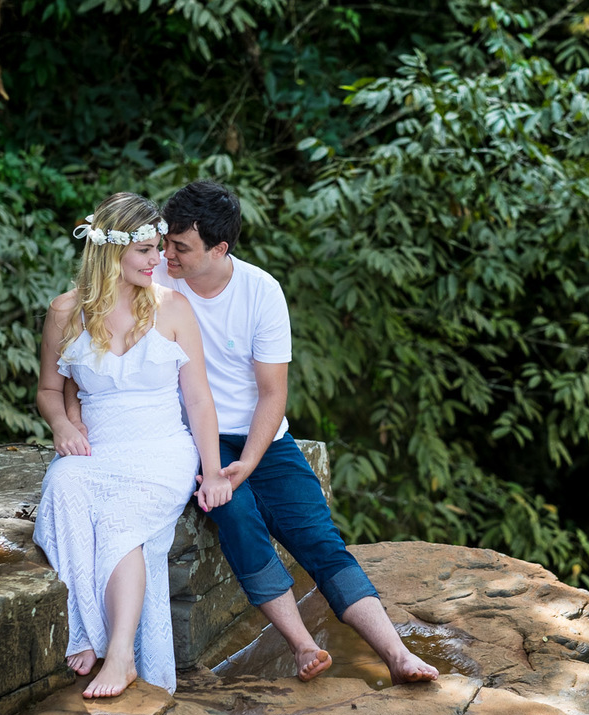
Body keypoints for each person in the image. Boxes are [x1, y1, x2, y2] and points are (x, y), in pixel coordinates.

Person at [155, 180, 439, 685]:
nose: (167, 253)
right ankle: (303, 646)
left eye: (181, 246)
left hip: (265, 436)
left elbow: (272, 393)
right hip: (197, 435)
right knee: (238, 516)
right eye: (166, 241)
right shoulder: (153, 280)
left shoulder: (261, 291)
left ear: (219, 248)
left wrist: (252, 459)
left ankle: (397, 654)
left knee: (320, 540)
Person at [33, 192, 232, 699]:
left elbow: (200, 402)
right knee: (63, 485)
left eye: (159, 247)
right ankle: (86, 631)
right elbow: (49, 391)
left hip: (160, 449)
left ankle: (119, 655)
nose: (158, 259)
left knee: (123, 524)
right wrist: (62, 425)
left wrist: (212, 472)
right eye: (145, 250)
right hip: (97, 447)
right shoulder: (65, 312)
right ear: (109, 253)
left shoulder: (173, 309)